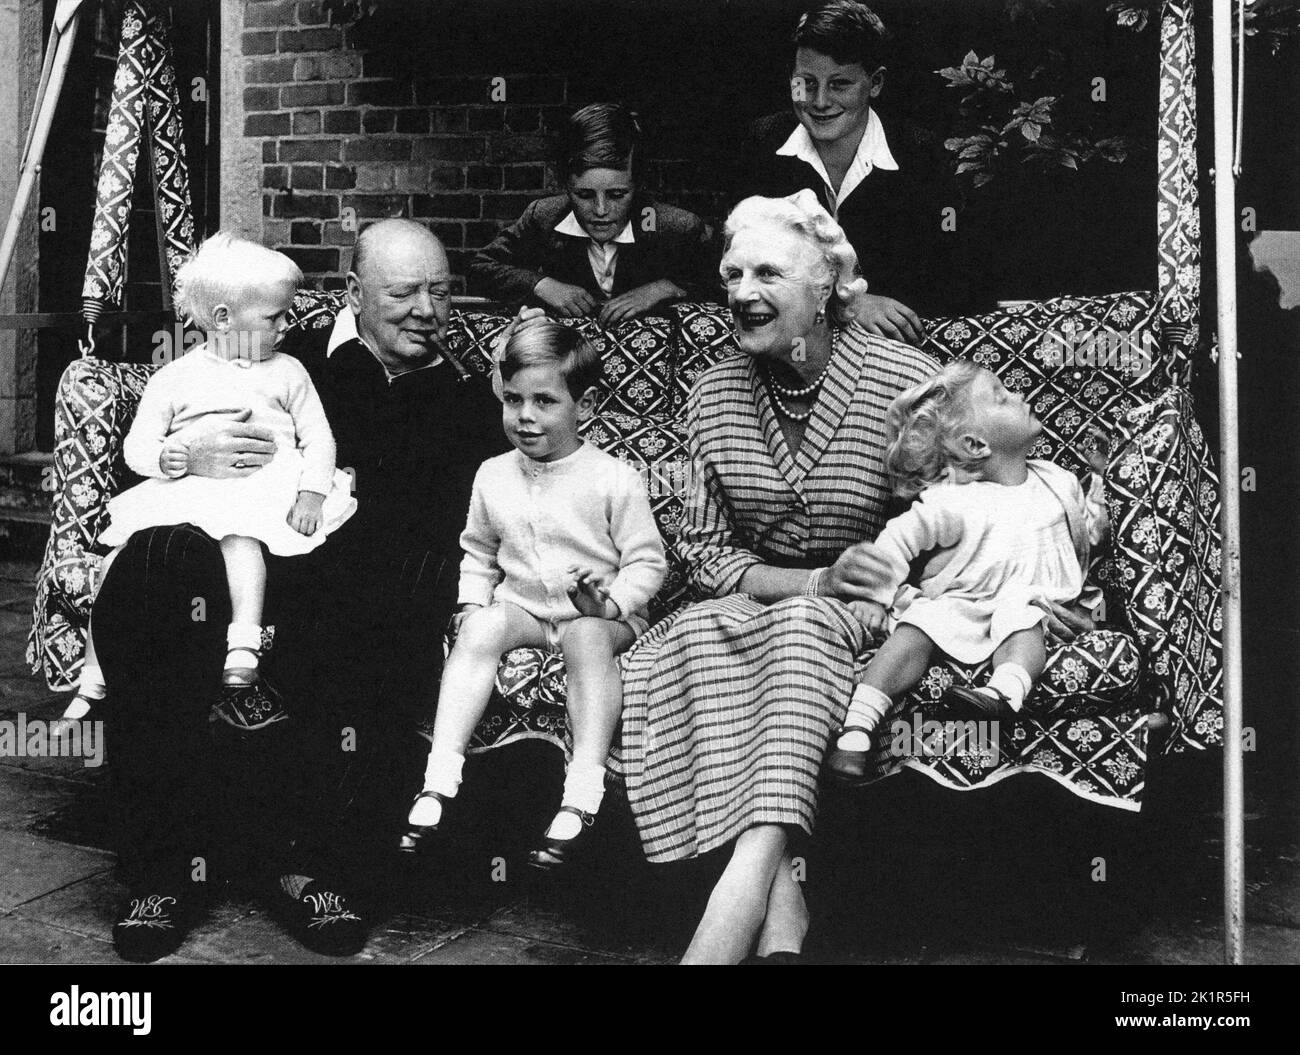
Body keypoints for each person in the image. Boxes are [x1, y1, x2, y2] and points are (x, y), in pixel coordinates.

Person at [91, 219, 506, 961]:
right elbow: (156, 444)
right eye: (404, 291)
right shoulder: (285, 356)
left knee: (388, 597)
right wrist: (192, 455)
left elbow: (485, 516)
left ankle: (310, 863)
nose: (427, 309)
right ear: (354, 292)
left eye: (440, 291)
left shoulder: (469, 400)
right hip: (231, 557)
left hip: (358, 578)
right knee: (151, 565)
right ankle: (164, 868)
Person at [611, 190, 935, 964]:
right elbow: (705, 553)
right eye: (732, 274)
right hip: (752, 602)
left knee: (799, 631)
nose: (744, 293)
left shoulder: (906, 383)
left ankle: (738, 892)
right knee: (692, 631)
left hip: (867, 608)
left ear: (827, 285)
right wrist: (808, 581)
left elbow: (959, 520)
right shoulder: (713, 391)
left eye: (768, 273)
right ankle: (783, 912)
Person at [55, 235, 355, 738]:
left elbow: (320, 438)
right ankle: (95, 673)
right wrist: (176, 457)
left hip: (262, 489)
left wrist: (312, 492)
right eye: (274, 317)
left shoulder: (288, 372)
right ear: (221, 319)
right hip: (191, 487)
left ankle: (243, 645)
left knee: (243, 542)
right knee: (115, 563)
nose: (286, 327)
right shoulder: (175, 376)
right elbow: (137, 448)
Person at [401, 321, 667, 869]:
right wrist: (473, 605)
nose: (525, 416)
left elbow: (647, 561)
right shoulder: (492, 475)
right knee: (480, 628)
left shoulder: (613, 478)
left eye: (545, 401)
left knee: (587, 638)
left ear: (584, 406)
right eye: (513, 399)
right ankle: (439, 778)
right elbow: (476, 551)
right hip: (526, 608)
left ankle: (582, 791)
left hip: (602, 615)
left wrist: (612, 602)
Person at [825, 361, 1110, 781]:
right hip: (963, 603)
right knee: (920, 622)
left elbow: (1091, 532)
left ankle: (1000, 696)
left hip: (1033, 601)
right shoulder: (954, 501)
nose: (1018, 395)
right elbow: (896, 541)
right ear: (976, 445)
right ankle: (858, 728)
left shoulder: (1058, 481)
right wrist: (874, 594)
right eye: (1000, 396)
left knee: (1022, 615)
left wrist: (1102, 479)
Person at [734, 0, 984, 340]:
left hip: (891, 353)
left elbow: (961, 277)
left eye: (839, 84)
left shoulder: (921, 157)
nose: (819, 101)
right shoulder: (761, 145)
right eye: (806, 82)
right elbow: (737, 261)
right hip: (791, 345)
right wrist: (847, 303)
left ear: (876, 83)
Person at [469, 102, 717, 322]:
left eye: (617, 195)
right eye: (584, 195)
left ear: (637, 184)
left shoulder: (676, 227)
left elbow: (725, 283)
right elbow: (481, 267)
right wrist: (542, 285)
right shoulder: (544, 216)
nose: (601, 210)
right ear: (565, 185)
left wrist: (665, 288)